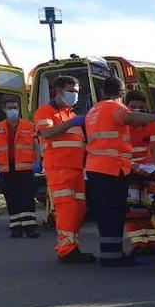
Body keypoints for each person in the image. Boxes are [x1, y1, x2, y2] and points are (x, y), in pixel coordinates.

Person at [85, 76, 155, 267]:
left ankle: (110, 253)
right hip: (112, 168)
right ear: (122, 92)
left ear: (102, 91)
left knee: (104, 212)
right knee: (114, 211)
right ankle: (113, 256)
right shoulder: (115, 107)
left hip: (95, 167)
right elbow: (129, 118)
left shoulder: (94, 110)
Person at [34, 75, 93, 263]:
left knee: (79, 209)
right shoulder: (45, 112)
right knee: (67, 209)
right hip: (59, 169)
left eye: (76, 91)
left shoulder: (71, 114)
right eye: (71, 91)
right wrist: (70, 124)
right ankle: (66, 250)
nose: (75, 95)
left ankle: (73, 247)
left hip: (76, 169)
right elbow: (47, 133)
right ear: (58, 91)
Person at [0, 98, 40, 239]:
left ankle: (30, 229)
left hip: (25, 168)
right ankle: (15, 229)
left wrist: (38, 161)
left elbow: (35, 145)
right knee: (11, 199)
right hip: (7, 169)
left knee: (27, 199)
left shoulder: (28, 126)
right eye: (10, 108)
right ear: (4, 109)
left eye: (15, 107)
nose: (13, 110)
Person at [123, 89, 155, 256]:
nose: (137, 111)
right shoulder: (121, 124)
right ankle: (139, 242)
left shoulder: (152, 123)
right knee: (133, 206)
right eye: (133, 107)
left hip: (147, 169)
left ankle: (153, 241)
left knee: (151, 206)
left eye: (140, 108)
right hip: (127, 167)